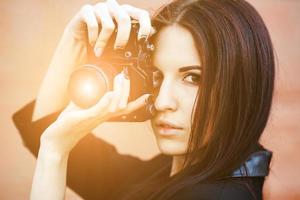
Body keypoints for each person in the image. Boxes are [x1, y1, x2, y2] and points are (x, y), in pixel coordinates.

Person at [12, 0, 274, 199]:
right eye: (157, 76)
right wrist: (73, 38)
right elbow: (43, 130)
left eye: (193, 78)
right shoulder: (174, 171)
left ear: (241, 87)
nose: (161, 102)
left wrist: (55, 153)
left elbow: (51, 142)